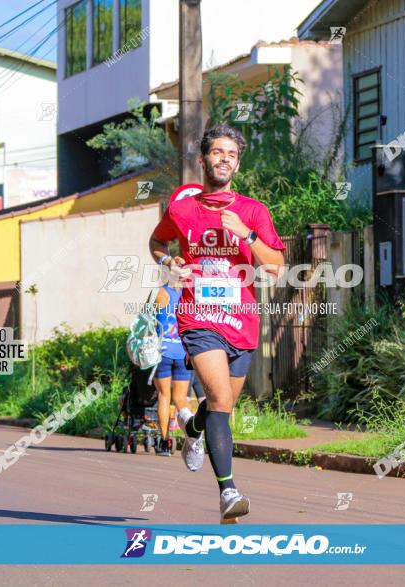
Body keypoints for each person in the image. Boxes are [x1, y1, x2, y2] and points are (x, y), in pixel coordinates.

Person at [149, 124, 285, 521]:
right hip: (198, 318)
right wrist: (168, 261)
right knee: (222, 401)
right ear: (203, 158)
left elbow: (276, 267)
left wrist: (247, 236)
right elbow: (157, 243)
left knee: (220, 403)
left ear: (237, 164)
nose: (224, 158)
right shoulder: (181, 209)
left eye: (231, 154)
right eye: (217, 152)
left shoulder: (253, 211)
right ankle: (229, 493)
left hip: (241, 321)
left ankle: (192, 430)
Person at [152, 284, 193, 456]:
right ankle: (192, 440)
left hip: (163, 351)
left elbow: (147, 319)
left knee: (164, 396)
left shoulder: (161, 292)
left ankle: (165, 442)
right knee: (181, 398)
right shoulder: (190, 294)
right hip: (183, 351)